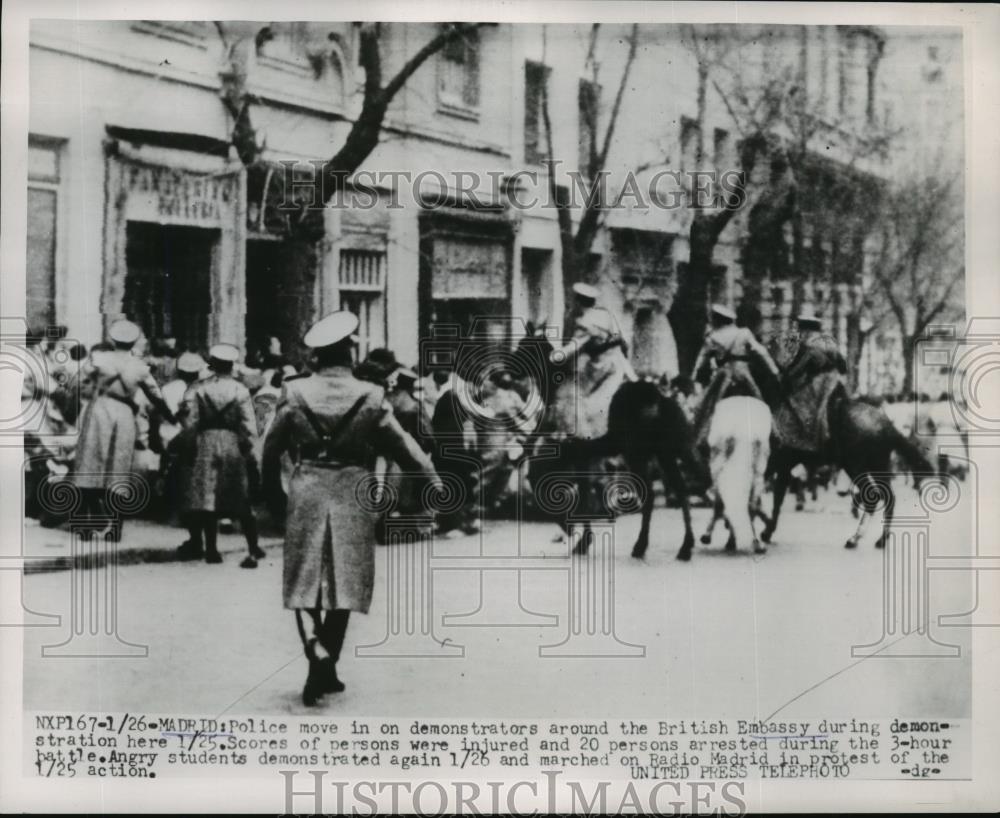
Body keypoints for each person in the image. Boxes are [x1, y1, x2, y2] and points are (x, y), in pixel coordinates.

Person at [263, 311, 440, 706]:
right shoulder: (371, 396)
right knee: (347, 579)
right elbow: (405, 449)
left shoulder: (292, 393)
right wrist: (434, 483)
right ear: (349, 354)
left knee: (303, 577)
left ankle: (314, 647)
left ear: (317, 357)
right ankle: (328, 662)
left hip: (307, 488)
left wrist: (270, 492)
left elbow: (270, 449)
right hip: (354, 491)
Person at [71, 320, 175, 539]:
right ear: (134, 341)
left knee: (90, 463)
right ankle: (116, 528)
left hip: (100, 409)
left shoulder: (99, 359)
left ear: (113, 339)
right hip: (125, 414)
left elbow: (77, 383)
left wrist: (88, 392)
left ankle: (85, 525)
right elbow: (155, 395)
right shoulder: (140, 366)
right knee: (119, 468)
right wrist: (170, 415)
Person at [176, 344, 265, 567]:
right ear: (231, 366)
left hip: (206, 440)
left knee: (207, 494)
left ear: (212, 365)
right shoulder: (240, 390)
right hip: (231, 441)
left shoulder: (198, 388)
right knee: (239, 493)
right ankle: (253, 546)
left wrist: (188, 445)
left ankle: (212, 549)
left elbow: (191, 422)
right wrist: (248, 448)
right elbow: (248, 424)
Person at [548, 282, 636, 441]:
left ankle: (581, 436)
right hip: (618, 364)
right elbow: (623, 341)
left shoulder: (584, 322)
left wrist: (555, 356)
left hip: (600, 367)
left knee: (569, 395)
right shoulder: (606, 314)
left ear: (578, 302)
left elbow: (575, 345)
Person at [690, 304, 780, 448]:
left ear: (717, 320)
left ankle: (700, 440)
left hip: (723, 374)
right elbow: (761, 352)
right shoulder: (744, 333)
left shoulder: (713, 336)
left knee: (708, 405)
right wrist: (774, 371)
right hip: (743, 373)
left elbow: (701, 360)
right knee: (759, 399)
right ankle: (774, 435)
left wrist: (694, 377)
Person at [773, 312, 848, 454]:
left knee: (797, 402)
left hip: (820, 381)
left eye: (801, 329)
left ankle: (806, 439)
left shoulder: (808, 345)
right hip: (836, 379)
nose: (800, 333)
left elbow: (798, 368)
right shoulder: (828, 341)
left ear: (806, 329)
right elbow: (843, 364)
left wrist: (784, 375)